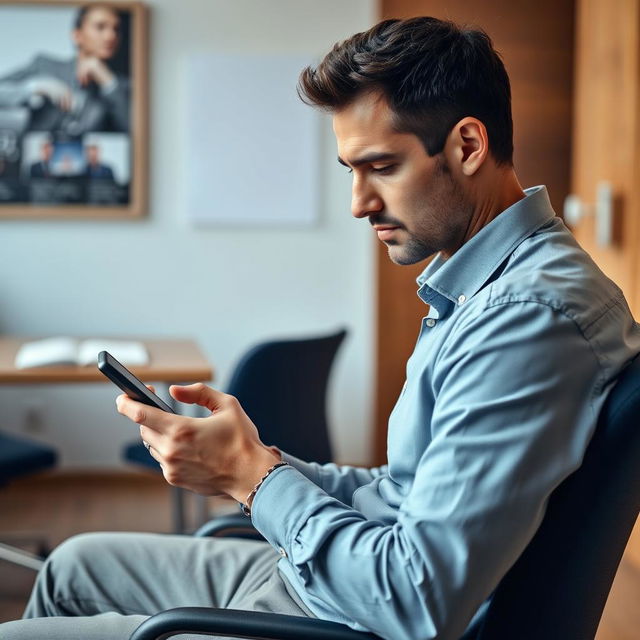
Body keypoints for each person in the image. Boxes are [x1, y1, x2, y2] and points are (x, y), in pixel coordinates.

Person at [3, 16, 639, 640]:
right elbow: (401, 492)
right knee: (72, 564)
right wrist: (258, 463)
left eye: (381, 167)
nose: (359, 202)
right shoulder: (492, 285)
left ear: (468, 146)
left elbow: (416, 600)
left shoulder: (523, 319)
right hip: (328, 588)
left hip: (347, 618)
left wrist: (250, 480)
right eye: (351, 171)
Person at [0, 4, 129, 136]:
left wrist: (107, 81)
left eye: (116, 29)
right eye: (100, 27)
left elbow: (136, 135)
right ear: (77, 35)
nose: (111, 36)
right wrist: (33, 87)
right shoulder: (45, 66)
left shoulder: (119, 87)